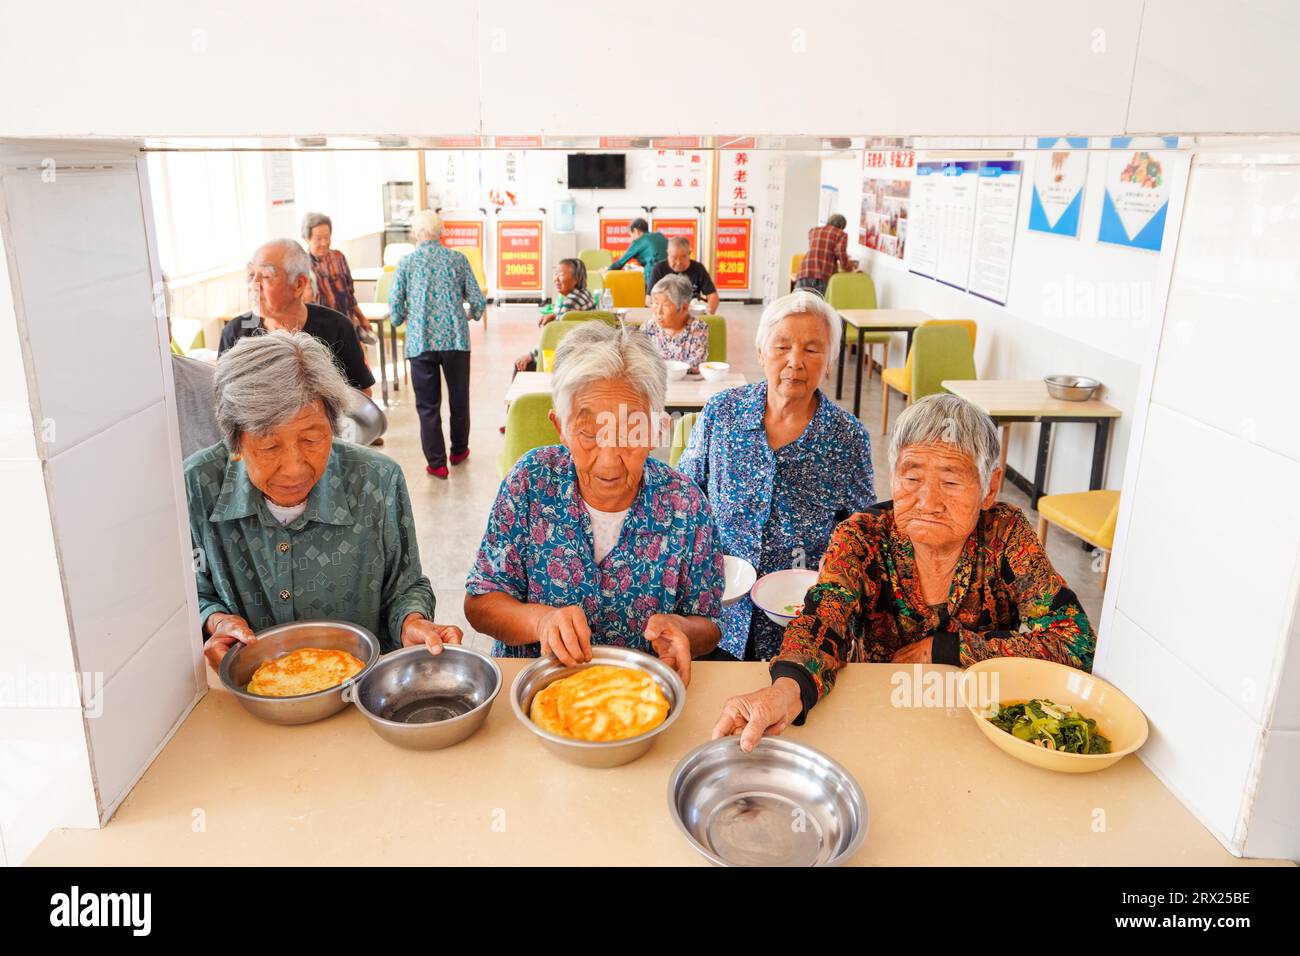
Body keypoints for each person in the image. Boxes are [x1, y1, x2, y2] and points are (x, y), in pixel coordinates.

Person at [711, 394, 1097, 750]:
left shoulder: (1005, 534)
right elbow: (824, 618)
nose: (929, 501)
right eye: (912, 478)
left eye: (950, 481)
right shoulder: (861, 536)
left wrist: (948, 648)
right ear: (893, 476)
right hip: (876, 723)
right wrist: (787, 687)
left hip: (979, 731)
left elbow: (1077, 643)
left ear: (989, 487)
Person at [464, 322, 725, 684]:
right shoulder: (530, 482)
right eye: (589, 435)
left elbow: (710, 623)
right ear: (561, 427)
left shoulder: (686, 504)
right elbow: (481, 603)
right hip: (539, 690)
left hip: (639, 698)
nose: (608, 460)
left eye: (629, 434)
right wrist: (541, 621)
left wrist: (681, 628)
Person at [186, 332, 462, 669]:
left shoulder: (377, 480)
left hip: (356, 689)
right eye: (270, 446)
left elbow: (405, 588)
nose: (294, 467)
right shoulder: (199, 485)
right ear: (236, 442)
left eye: (313, 439)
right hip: (247, 696)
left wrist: (412, 622)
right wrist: (216, 622)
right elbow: (193, 595)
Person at [677, 290, 875, 661]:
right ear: (760, 352)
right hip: (719, 602)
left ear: (829, 362)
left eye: (812, 350)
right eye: (782, 346)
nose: (795, 362)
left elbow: (862, 529)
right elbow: (685, 494)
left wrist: (833, 582)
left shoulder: (848, 437)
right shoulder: (723, 412)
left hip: (799, 612)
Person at [389, 210, 487, 479]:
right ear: (441, 232)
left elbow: (395, 308)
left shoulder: (407, 263)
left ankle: (437, 463)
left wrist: (403, 318)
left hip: (420, 341)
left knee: (428, 405)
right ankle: (459, 451)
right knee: (459, 398)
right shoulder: (457, 259)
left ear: (415, 234)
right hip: (456, 339)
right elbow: (478, 301)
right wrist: (468, 314)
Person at [220, 239, 375, 394]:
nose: (254, 285)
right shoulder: (235, 333)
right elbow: (222, 397)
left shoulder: (337, 329)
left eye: (266, 276)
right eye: (251, 275)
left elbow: (362, 395)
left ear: (299, 284)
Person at [512, 258, 596, 376]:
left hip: (569, 360)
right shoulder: (585, 294)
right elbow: (570, 316)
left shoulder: (570, 301)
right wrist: (555, 315)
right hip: (585, 354)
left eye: (561, 274)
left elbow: (553, 339)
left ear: (576, 279)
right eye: (555, 274)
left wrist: (530, 356)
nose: (556, 279)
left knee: (521, 365)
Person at [302, 211, 375, 344]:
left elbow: (350, 296)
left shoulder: (338, 258)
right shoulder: (303, 265)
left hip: (347, 326)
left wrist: (362, 318)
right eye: (318, 238)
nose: (324, 242)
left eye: (327, 237)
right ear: (307, 238)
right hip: (320, 334)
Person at [642, 274, 709, 373]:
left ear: (684, 308)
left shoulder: (698, 328)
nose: (658, 311)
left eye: (666, 305)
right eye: (655, 303)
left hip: (687, 385)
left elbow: (696, 365)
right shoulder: (649, 327)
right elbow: (640, 361)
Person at [647, 237, 720, 314]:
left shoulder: (698, 268)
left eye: (683, 257)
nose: (678, 262)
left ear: (690, 254)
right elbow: (649, 299)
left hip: (690, 313)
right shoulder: (659, 269)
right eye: (674, 258)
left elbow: (713, 296)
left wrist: (708, 314)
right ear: (668, 253)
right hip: (666, 313)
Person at [794, 214, 857, 296]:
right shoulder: (841, 234)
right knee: (819, 305)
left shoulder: (814, 231)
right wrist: (850, 267)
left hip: (805, 270)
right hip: (823, 272)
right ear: (842, 226)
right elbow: (841, 255)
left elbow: (817, 249)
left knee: (800, 303)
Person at [606, 217, 668, 294]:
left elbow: (619, 263)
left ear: (636, 231)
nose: (632, 239)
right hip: (669, 277)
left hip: (653, 280)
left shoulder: (639, 241)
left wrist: (606, 271)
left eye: (631, 235)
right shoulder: (660, 236)